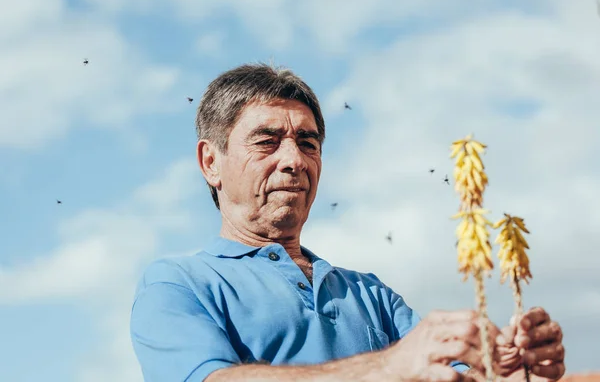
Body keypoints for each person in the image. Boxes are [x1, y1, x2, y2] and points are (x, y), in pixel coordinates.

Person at [129, 63, 566, 381]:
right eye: (267, 141)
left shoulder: (371, 293)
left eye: (308, 142)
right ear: (211, 162)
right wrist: (390, 365)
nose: (294, 160)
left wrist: (511, 369)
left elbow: (448, 372)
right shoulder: (177, 284)